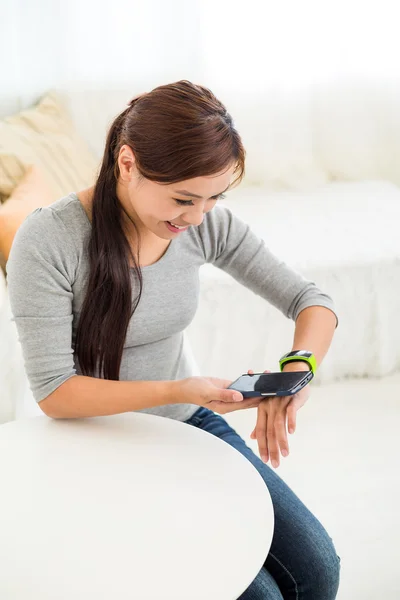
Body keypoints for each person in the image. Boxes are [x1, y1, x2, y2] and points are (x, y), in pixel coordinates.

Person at [7, 80, 340, 599]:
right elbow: (56, 393)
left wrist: (298, 370)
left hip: (185, 424)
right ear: (126, 163)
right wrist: (178, 389)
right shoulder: (49, 240)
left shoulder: (201, 224)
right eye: (183, 198)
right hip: (90, 445)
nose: (196, 217)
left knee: (319, 572)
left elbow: (312, 301)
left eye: (214, 198)